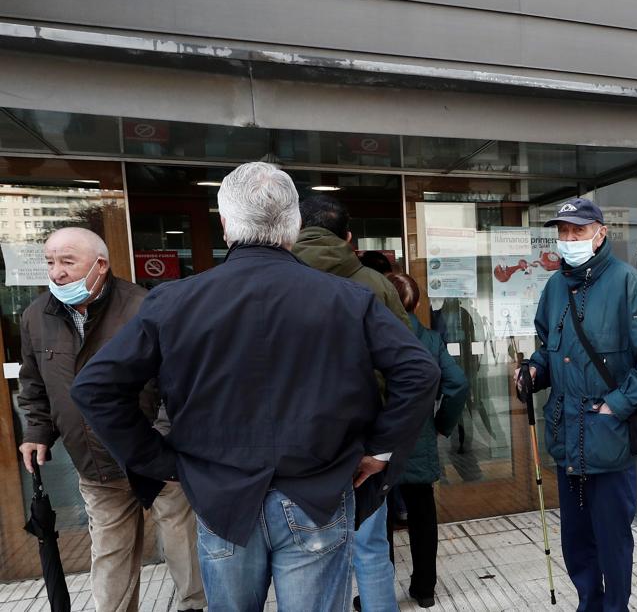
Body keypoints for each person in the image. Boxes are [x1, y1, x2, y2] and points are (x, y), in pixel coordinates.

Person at [71, 162, 440, 612]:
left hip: (221, 496)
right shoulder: (348, 298)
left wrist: (161, 460)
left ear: (224, 224)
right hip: (316, 494)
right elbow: (419, 372)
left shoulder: (174, 301)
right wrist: (379, 452)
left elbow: (94, 386)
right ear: (295, 224)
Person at [17, 227, 206, 612]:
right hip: (95, 464)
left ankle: (196, 606)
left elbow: (178, 383)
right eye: (50, 262)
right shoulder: (38, 315)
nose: (56, 273)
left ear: (100, 265)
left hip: (157, 458)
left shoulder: (143, 307)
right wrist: (36, 431)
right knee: (110, 552)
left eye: (68, 262)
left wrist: (164, 440)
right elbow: (34, 381)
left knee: (181, 546)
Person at [514, 197, 637, 612]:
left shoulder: (626, 283)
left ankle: (614, 607)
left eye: (578, 231)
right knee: (576, 542)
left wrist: (616, 406)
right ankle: (589, 603)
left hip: (609, 437)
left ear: (600, 233)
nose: (569, 240)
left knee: (613, 540)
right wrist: (535, 371)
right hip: (567, 437)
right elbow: (549, 349)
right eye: (563, 232)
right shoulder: (554, 288)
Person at [290, 193, 414, 612]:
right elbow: (409, 370)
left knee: (306, 558)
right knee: (371, 549)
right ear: (347, 237)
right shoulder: (376, 285)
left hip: (296, 446)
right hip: (365, 443)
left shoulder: (276, 280)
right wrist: (384, 446)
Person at [385, 271, 470, 607]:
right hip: (418, 441)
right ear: (417, 304)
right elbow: (459, 384)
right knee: (423, 517)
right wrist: (440, 424)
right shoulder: (431, 341)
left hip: (378, 446)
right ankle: (424, 589)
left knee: (380, 523)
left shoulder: (370, 336)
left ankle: (379, 593)